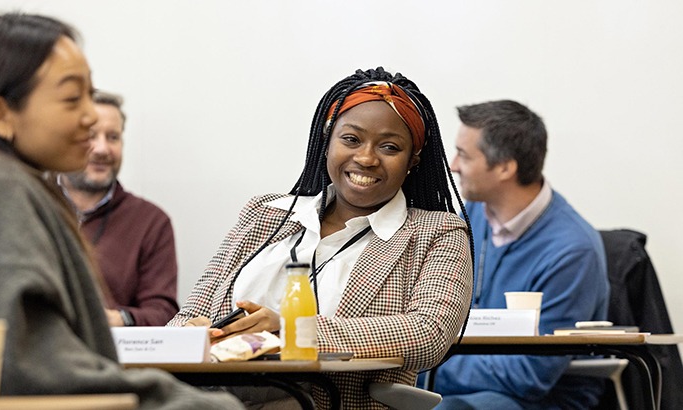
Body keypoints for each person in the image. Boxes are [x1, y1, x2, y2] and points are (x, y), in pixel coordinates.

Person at [0, 13, 241, 409]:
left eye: (91, 94)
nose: (90, 116)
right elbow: (31, 372)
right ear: (1, 115)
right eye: (73, 98)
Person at [167, 67, 474, 409]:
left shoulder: (437, 233)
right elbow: (187, 315)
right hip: (215, 396)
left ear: (412, 160)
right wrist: (194, 333)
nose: (366, 158)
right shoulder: (262, 213)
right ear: (327, 141)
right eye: (351, 139)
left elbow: (428, 333)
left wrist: (291, 332)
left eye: (389, 147)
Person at [431, 100, 610, 409]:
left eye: (464, 154)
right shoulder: (467, 217)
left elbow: (528, 375)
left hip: (544, 400)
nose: (453, 165)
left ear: (504, 168)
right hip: (461, 386)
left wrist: (421, 366)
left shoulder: (571, 250)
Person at [59, 90, 179, 327]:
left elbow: (164, 313)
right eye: (91, 136)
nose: (102, 149)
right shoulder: (31, 206)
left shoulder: (151, 222)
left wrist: (117, 319)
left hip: (115, 358)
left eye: (112, 137)